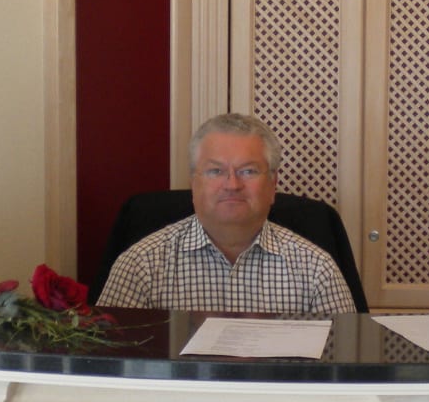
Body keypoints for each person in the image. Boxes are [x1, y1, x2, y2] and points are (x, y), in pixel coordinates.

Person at [96, 113, 356, 315]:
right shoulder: (140, 266)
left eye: (248, 171)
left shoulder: (316, 269)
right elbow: (109, 361)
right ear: (193, 183)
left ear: (273, 185)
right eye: (215, 171)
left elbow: (343, 362)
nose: (232, 184)